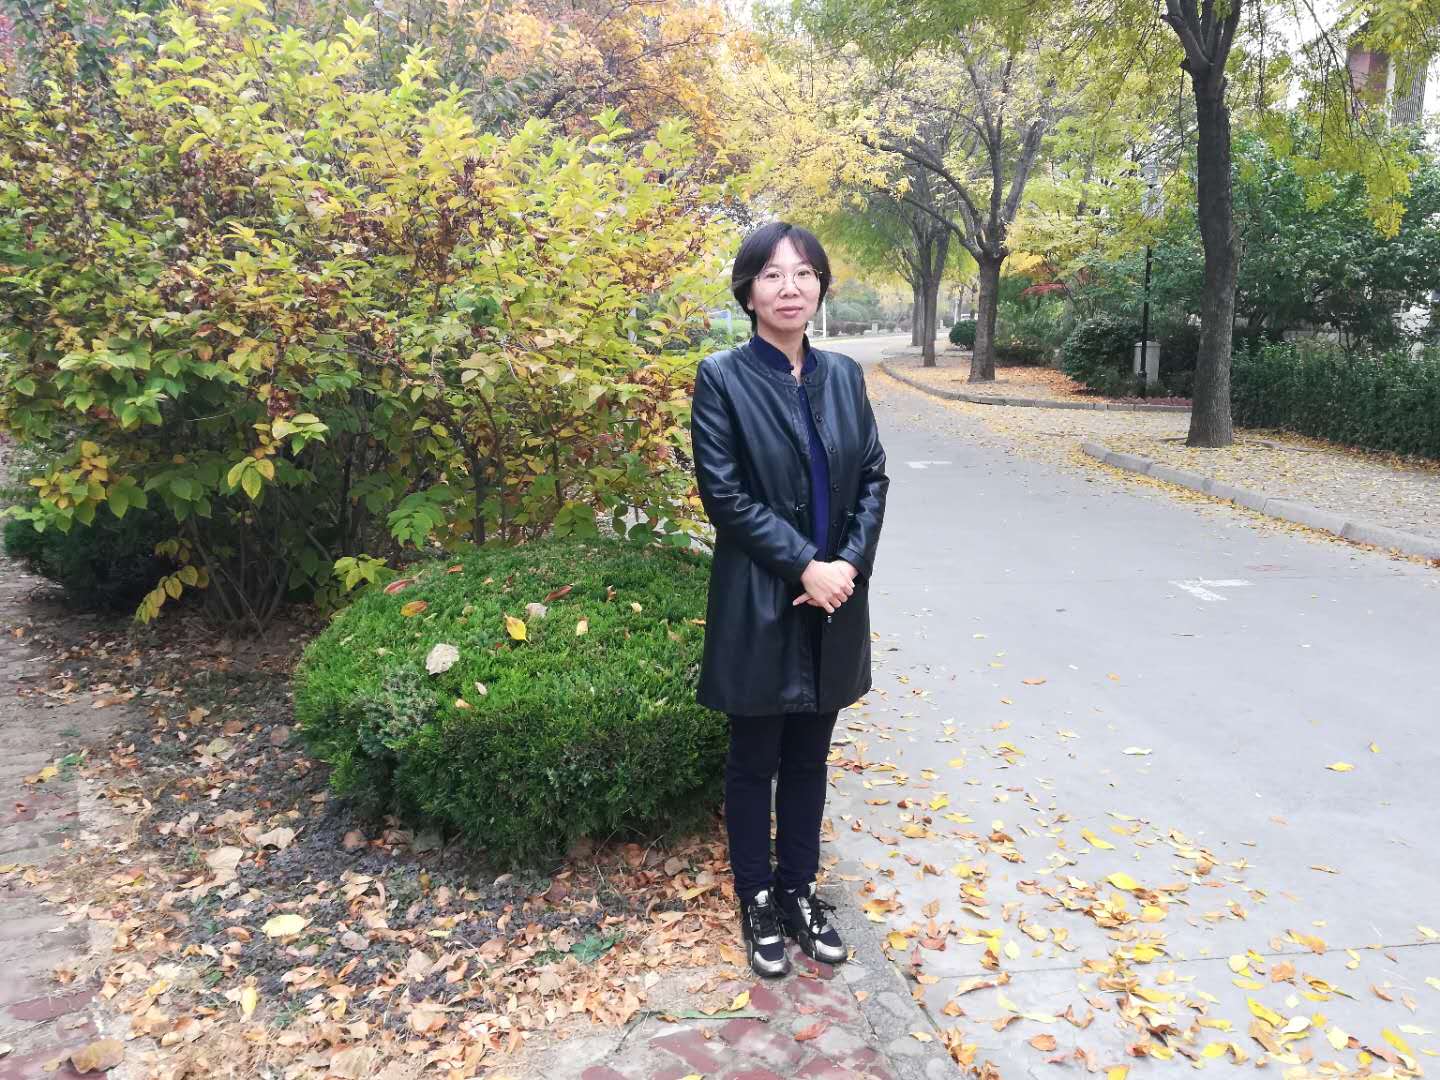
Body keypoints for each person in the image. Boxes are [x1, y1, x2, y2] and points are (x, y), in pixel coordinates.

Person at [690, 222, 888, 978]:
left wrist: (847, 565)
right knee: (754, 759)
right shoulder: (722, 378)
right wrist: (805, 565)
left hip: (834, 600)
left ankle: (799, 892)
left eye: (804, 273)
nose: (790, 288)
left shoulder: (844, 376)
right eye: (772, 275)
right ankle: (758, 900)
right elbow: (725, 496)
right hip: (760, 599)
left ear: (820, 287)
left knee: (809, 756)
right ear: (748, 292)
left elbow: (872, 477)